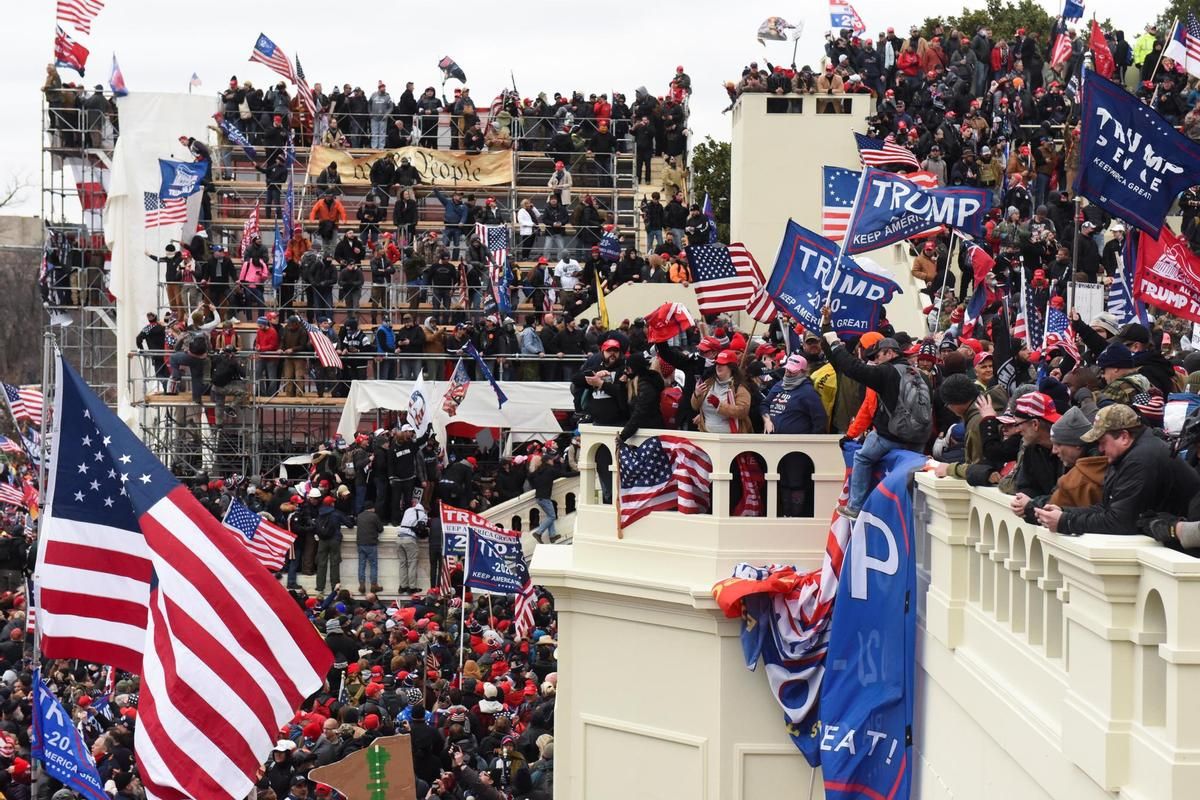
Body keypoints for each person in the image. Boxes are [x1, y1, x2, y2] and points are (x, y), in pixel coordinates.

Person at [821, 321, 932, 519]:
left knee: (862, 457)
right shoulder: (922, 375)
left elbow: (852, 368)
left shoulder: (886, 372)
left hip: (891, 436)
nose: (875, 360)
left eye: (877, 356)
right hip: (919, 440)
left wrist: (834, 342)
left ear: (889, 353)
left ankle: (855, 507)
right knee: (909, 475)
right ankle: (907, 512)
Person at [1036, 404, 1200, 535]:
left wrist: (1065, 522)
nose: (1099, 449)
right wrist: (1065, 512)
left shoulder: (1140, 459)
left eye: (1102, 442)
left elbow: (1121, 522)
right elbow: (1108, 508)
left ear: (1124, 437)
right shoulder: (1130, 454)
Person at [691, 350, 752, 432]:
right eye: (717, 364)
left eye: (722, 364)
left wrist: (719, 405)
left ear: (731, 367)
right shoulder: (708, 383)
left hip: (731, 439)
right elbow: (695, 406)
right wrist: (697, 394)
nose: (718, 366)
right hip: (707, 435)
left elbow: (742, 412)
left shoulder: (739, 388)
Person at [397, 497, 428, 594]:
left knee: (402, 564)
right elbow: (422, 528)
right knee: (412, 564)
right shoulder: (423, 514)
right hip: (410, 539)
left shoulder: (408, 510)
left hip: (399, 537)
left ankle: (403, 586)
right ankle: (412, 587)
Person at [355, 499, 383, 595]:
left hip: (360, 544)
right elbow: (380, 529)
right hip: (371, 544)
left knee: (361, 565)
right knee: (373, 565)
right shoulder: (374, 516)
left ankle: (362, 585)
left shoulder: (359, 516)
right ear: (372, 508)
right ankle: (373, 585)